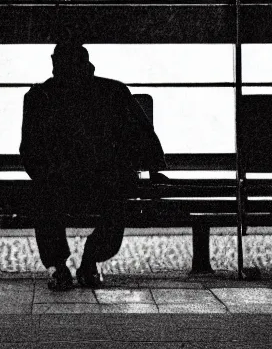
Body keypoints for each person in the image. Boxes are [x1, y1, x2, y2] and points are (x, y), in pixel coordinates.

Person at [20, 43, 167, 290]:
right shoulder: (114, 92)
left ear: (55, 63)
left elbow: (30, 151)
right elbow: (144, 140)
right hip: (106, 182)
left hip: (59, 183)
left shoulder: (38, 97)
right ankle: (91, 257)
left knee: (44, 195)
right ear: (87, 64)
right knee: (117, 195)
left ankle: (58, 266)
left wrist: (47, 173)